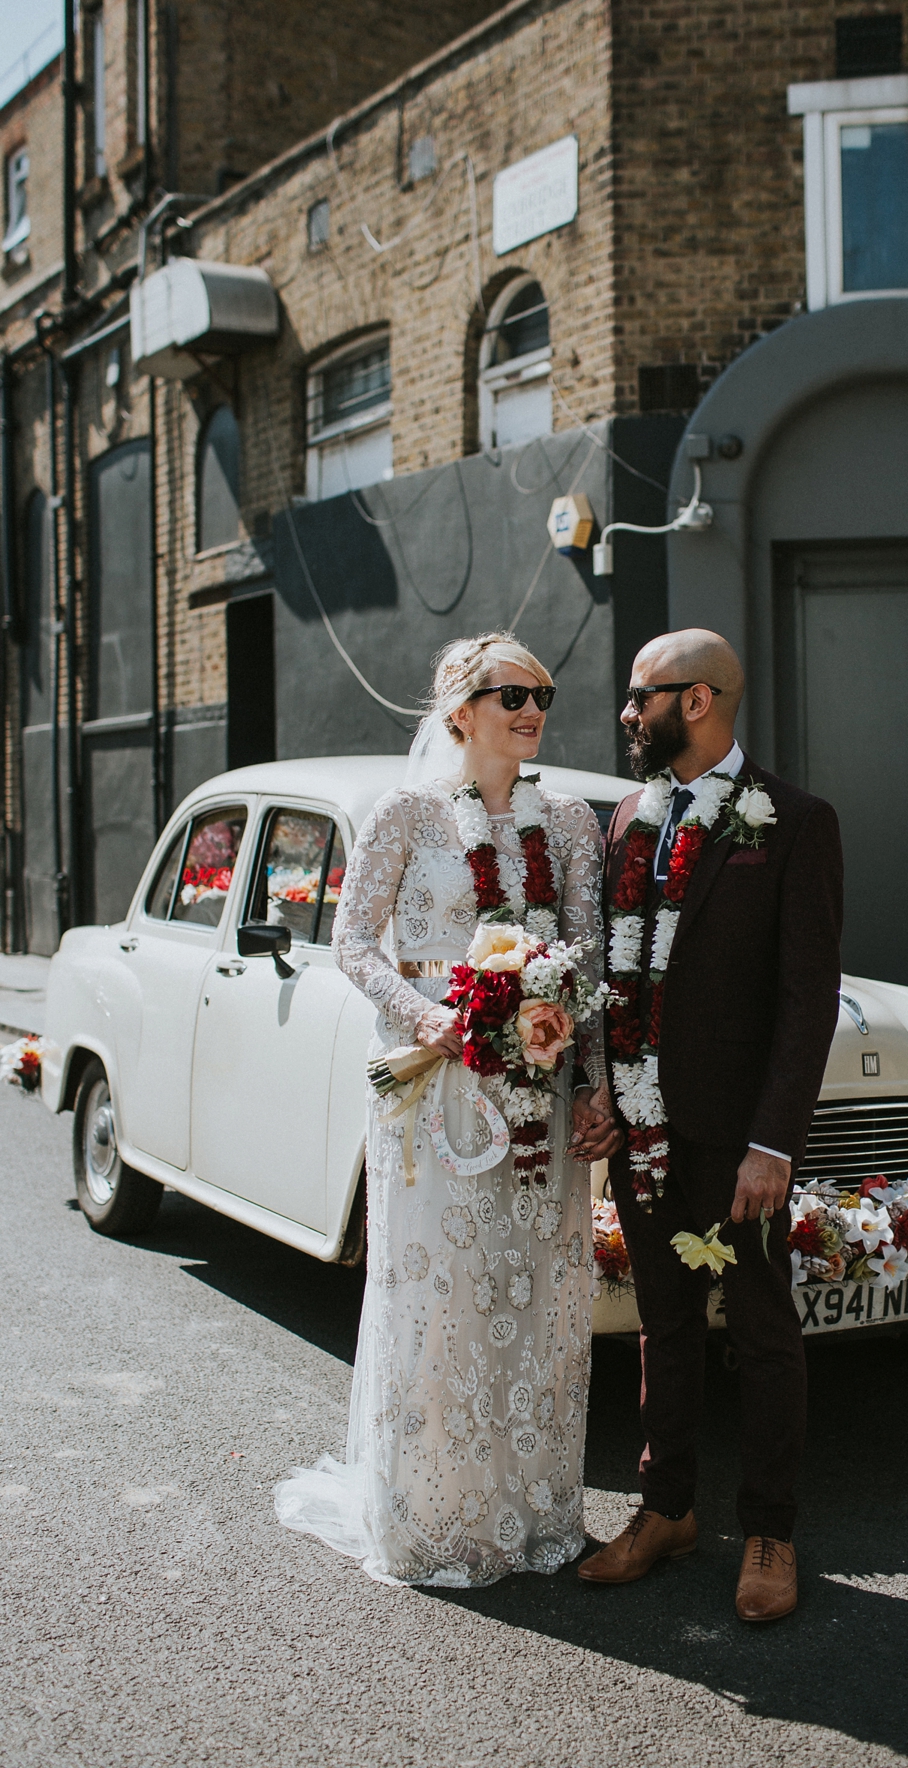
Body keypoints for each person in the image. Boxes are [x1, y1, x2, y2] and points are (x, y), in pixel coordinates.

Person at [275, 632, 620, 1588]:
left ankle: (532, 1510)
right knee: (440, 1297)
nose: (533, 707)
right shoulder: (407, 814)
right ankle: (431, 1514)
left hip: (540, 1091)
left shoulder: (574, 827)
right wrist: (436, 1016)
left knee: (538, 1297)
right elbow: (351, 945)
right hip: (433, 1086)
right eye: (511, 692)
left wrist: (591, 1084)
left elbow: (587, 965)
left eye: (543, 691)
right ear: (459, 710)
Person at [578, 628, 843, 1621]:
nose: (626, 712)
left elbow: (807, 995)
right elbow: (616, 971)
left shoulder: (796, 822)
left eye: (639, 695)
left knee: (764, 1330)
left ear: (696, 701)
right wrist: (605, 1093)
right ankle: (667, 1508)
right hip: (648, 1133)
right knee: (666, 1322)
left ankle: (770, 1531)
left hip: (743, 1148)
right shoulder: (625, 820)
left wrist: (774, 1142)